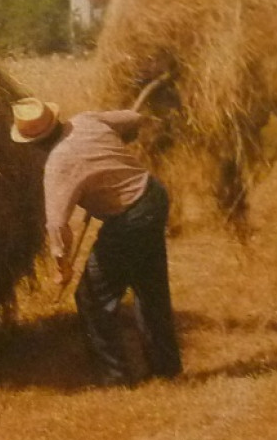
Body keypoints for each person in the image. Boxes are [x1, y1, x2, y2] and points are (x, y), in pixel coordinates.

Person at [11, 95, 182, 386]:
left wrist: (61, 264)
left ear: (34, 143)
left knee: (92, 296)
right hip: (153, 196)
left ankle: (115, 378)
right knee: (149, 286)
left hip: (130, 216)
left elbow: (57, 224)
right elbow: (133, 119)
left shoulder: (58, 164)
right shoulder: (86, 121)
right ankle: (166, 369)